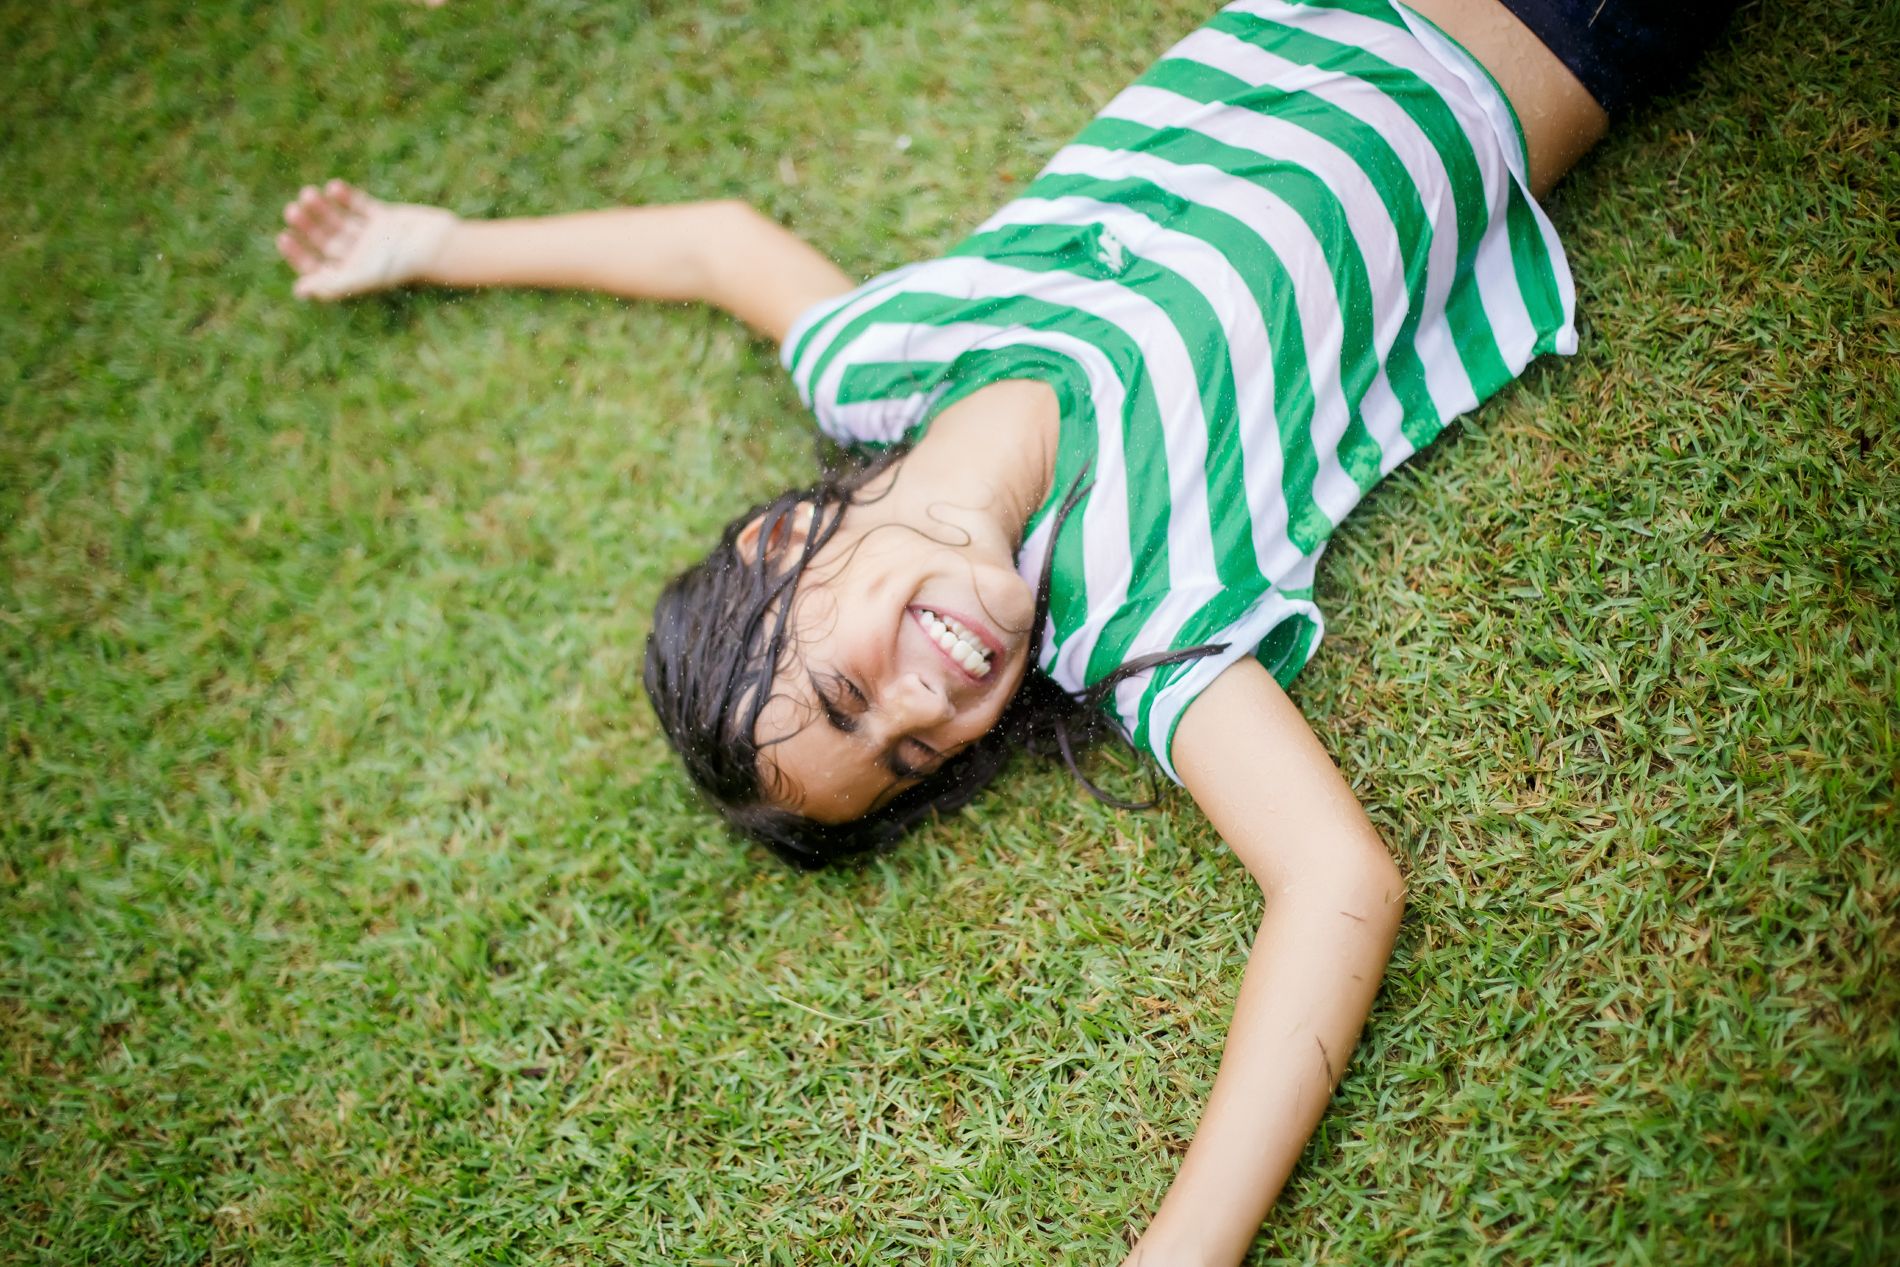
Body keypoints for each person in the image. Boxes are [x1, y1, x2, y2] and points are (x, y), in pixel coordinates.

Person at [274, 0, 1738, 1260]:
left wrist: (435, 240)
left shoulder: (884, 364)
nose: (938, 701)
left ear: (789, 538)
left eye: (850, 688)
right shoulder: (1139, 612)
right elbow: (1336, 881)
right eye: (914, 753)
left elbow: (717, 248)